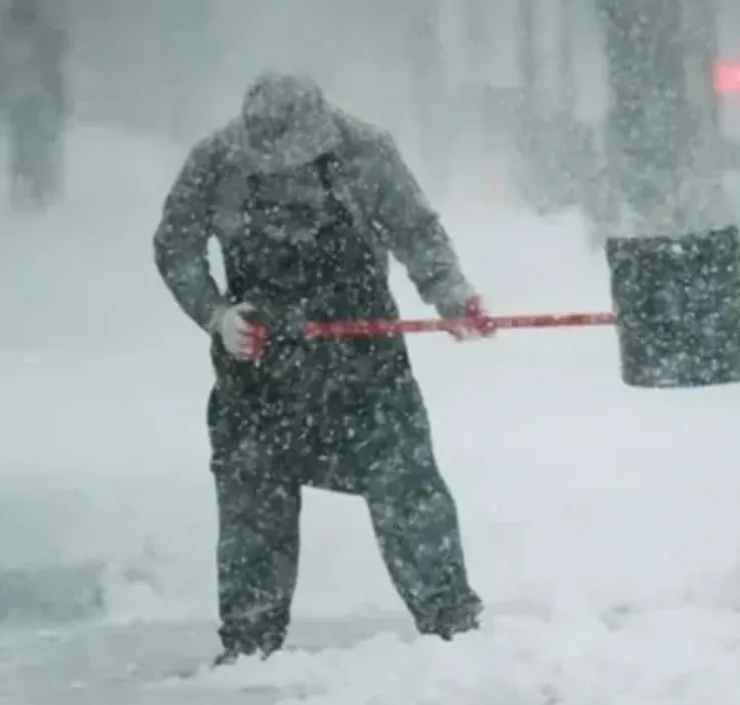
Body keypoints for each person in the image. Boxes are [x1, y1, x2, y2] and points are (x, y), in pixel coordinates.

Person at [153, 72, 495, 666]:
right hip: (258, 366)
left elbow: (416, 230)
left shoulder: (367, 151)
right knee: (253, 504)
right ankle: (250, 644)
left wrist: (451, 294)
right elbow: (175, 246)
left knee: (408, 488)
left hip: (363, 364)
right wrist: (216, 315)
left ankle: (453, 628)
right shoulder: (214, 160)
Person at [0, 0, 67, 209]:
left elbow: (0, 62)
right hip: (32, 94)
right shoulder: (41, 26)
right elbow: (54, 60)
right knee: (33, 139)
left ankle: (31, 182)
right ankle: (35, 183)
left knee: (28, 139)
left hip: (27, 94)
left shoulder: (15, 27)